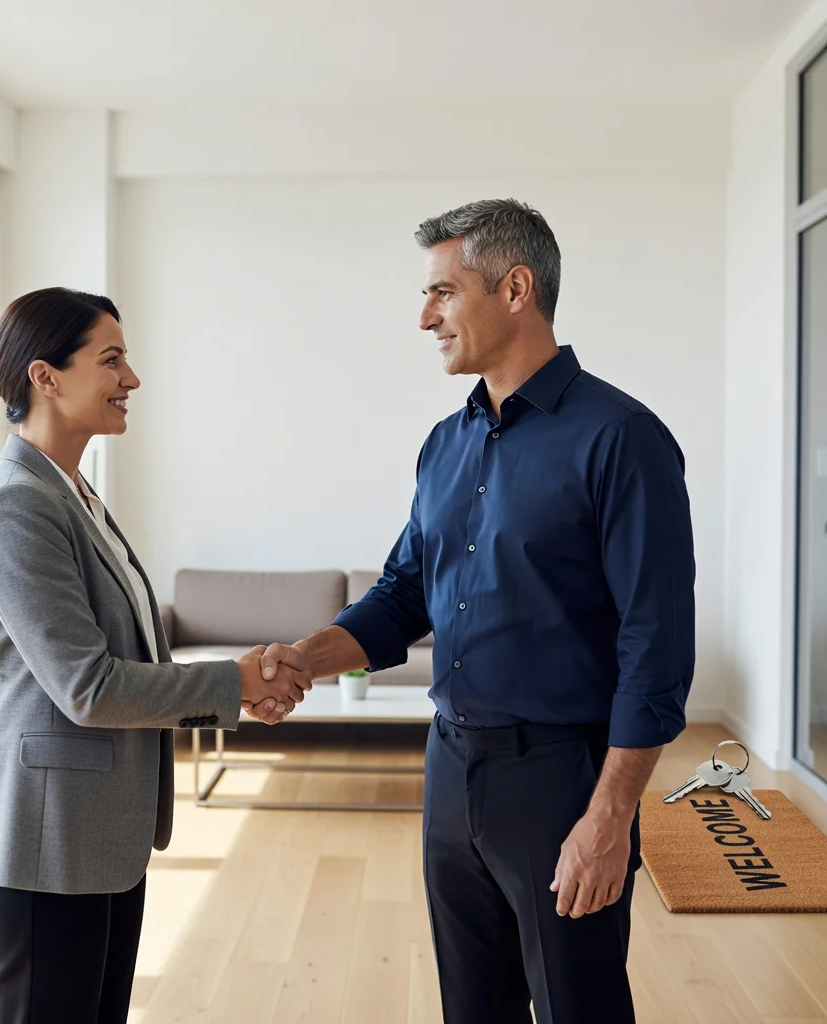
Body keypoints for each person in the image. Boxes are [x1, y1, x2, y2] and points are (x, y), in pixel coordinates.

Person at [258, 199, 695, 1024]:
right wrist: (305, 659)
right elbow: (404, 593)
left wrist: (610, 816)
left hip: (562, 779)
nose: (425, 317)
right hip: (451, 769)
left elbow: (657, 645)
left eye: (443, 292)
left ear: (515, 288)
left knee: (579, 1007)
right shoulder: (444, 444)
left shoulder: (622, 439)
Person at [0, 287, 310, 1024]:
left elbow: (124, 652)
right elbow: (87, 686)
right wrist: (235, 683)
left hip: (96, 838)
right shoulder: (17, 504)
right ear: (45, 377)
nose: (132, 379)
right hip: (45, 847)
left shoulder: (74, 493)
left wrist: (239, 684)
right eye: (111, 360)